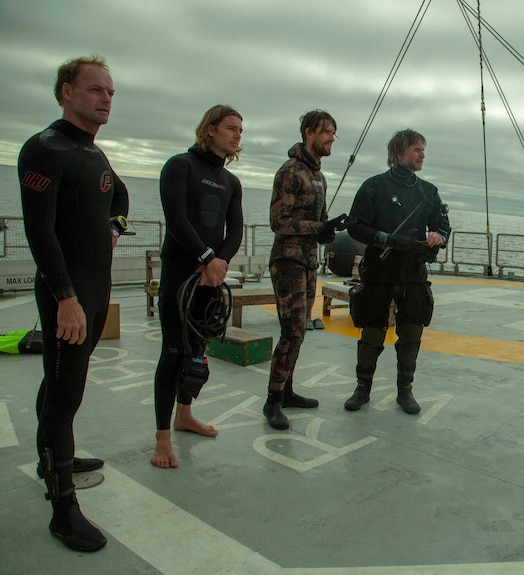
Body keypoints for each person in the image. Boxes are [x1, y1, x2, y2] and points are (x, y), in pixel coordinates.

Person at [19, 55, 129, 552]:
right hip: (68, 295)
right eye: (95, 90)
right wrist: (65, 298)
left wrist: (114, 228)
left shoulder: (95, 155)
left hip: (94, 290)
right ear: (66, 91)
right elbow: (39, 232)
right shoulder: (45, 149)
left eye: (109, 92)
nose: (105, 98)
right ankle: (63, 508)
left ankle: (55, 454)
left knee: (61, 382)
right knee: (66, 394)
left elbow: (121, 198)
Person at [151, 105, 244, 467]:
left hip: (210, 277)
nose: (237, 135)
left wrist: (218, 263)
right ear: (210, 130)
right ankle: (162, 440)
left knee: (196, 351)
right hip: (181, 275)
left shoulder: (231, 182)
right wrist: (208, 258)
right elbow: (175, 219)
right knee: (173, 353)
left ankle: (184, 415)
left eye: (240, 130)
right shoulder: (180, 166)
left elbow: (235, 229)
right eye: (230, 128)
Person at [344, 129, 450, 414]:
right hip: (379, 271)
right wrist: (387, 239)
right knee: (372, 331)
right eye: (417, 149)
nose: (422, 154)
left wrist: (438, 237)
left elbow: (443, 226)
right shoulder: (374, 186)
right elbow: (355, 226)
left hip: (413, 271)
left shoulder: (428, 192)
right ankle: (362, 387)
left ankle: (405, 389)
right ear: (400, 152)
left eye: (423, 149)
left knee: (412, 331)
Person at [263, 110, 348, 429]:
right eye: (327, 132)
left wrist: (330, 229)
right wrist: (318, 227)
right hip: (288, 261)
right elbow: (278, 221)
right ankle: (272, 401)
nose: (331, 139)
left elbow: (319, 224)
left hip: (309, 261)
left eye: (334, 134)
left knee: (298, 333)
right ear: (309, 133)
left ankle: (286, 391)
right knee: (293, 330)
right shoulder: (290, 171)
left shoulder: (319, 176)